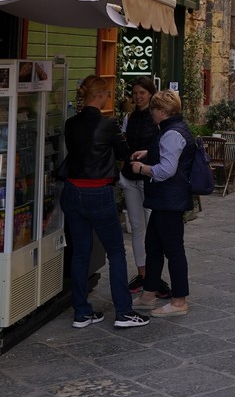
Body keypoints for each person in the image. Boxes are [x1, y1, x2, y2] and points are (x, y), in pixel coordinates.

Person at [60, 76, 149, 330]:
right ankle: (123, 311)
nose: (108, 98)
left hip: (72, 191)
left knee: (80, 252)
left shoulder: (70, 123)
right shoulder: (108, 124)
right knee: (116, 251)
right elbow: (124, 152)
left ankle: (81, 312)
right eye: (107, 94)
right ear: (99, 95)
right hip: (98, 192)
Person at [129, 89, 194, 317]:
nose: (151, 113)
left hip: (169, 200)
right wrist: (149, 153)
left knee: (173, 250)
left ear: (162, 111)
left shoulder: (171, 133)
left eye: (153, 109)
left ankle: (179, 301)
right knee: (153, 246)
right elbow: (170, 153)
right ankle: (148, 294)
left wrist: (142, 168)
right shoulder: (174, 129)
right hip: (165, 200)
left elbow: (167, 169)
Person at [119, 77, 169, 299]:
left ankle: (154, 274)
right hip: (130, 176)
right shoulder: (129, 117)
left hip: (149, 177)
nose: (138, 96)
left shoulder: (157, 117)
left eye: (142, 92)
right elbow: (124, 144)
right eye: (135, 92)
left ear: (150, 93)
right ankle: (142, 272)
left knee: (153, 227)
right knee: (137, 227)